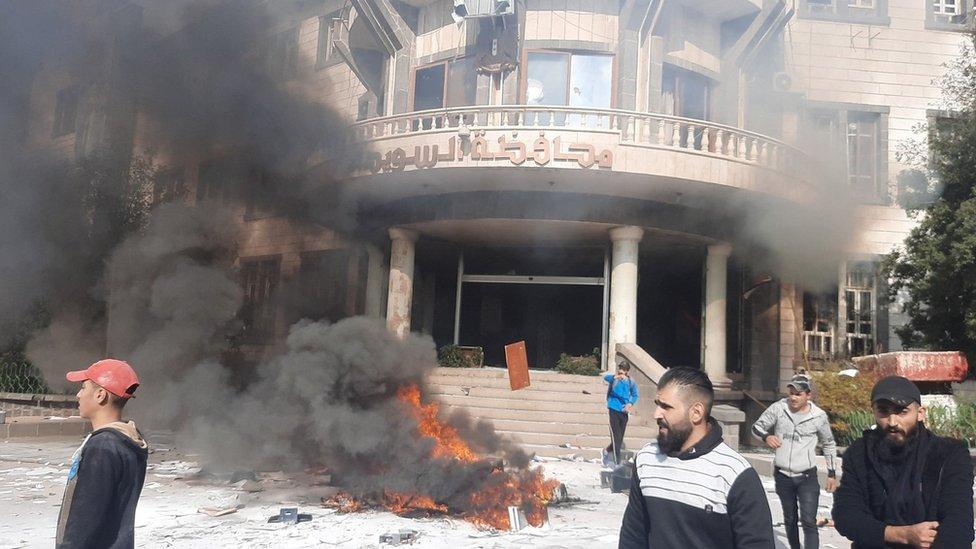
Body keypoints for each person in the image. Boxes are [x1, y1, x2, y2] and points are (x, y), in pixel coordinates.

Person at [619, 367, 774, 548]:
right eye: (657, 404)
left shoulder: (735, 473)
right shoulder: (647, 459)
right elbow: (633, 534)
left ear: (697, 412)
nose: (656, 414)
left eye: (666, 406)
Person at [832, 375, 974, 549]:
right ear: (874, 412)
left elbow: (959, 525)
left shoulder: (949, 455)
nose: (892, 422)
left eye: (902, 412)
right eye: (883, 411)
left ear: (920, 413)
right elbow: (846, 516)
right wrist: (903, 535)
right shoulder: (859, 454)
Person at [57, 359, 148, 549]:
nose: (78, 395)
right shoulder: (127, 440)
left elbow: (87, 515)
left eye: (83, 388)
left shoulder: (103, 447)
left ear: (100, 395)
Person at [751, 374, 838, 549]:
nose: (793, 397)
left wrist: (831, 473)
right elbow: (756, 427)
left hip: (806, 476)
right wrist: (767, 437)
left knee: (808, 520)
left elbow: (828, 443)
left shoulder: (818, 416)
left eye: (798, 394)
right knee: (790, 518)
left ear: (808, 395)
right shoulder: (779, 408)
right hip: (783, 475)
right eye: (791, 392)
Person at [603, 362, 639, 466]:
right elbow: (606, 377)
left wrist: (630, 403)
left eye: (623, 369)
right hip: (613, 408)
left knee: (620, 437)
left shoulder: (630, 382)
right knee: (616, 436)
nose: (621, 371)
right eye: (620, 368)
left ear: (627, 371)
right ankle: (616, 462)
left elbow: (635, 395)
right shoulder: (614, 379)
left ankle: (606, 451)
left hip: (624, 411)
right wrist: (616, 377)